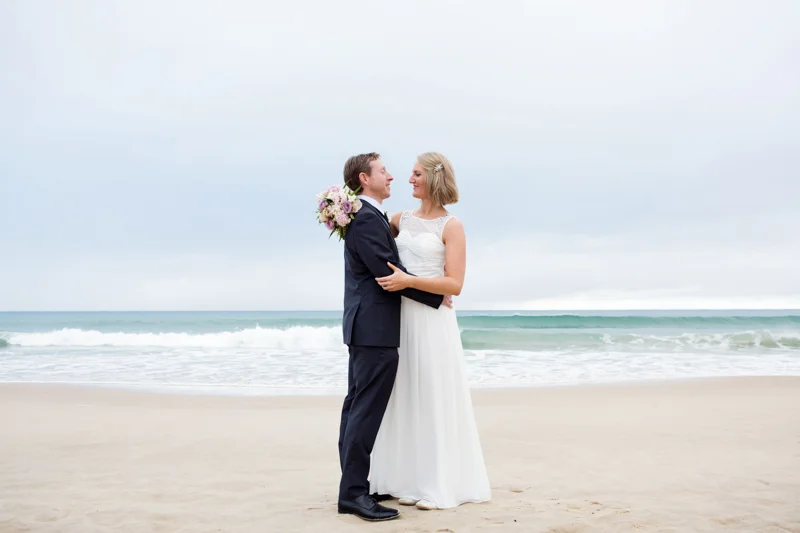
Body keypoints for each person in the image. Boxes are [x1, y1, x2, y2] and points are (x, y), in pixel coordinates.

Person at [369, 152, 492, 510]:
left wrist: (410, 280)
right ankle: (410, 480)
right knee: (405, 394)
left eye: (416, 174)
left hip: (433, 321)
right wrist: (341, 210)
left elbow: (455, 284)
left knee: (433, 393)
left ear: (434, 178)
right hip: (401, 317)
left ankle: (439, 485)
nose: (409, 180)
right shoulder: (400, 219)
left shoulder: (451, 226)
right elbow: (371, 236)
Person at [337, 152, 447, 522]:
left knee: (357, 408)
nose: (392, 177)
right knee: (364, 411)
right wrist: (435, 294)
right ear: (365, 179)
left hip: (367, 327)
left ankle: (353, 486)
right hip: (374, 329)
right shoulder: (366, 219)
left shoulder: (370, 216)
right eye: (384, 171)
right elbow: (389, 273)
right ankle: (353, 493)